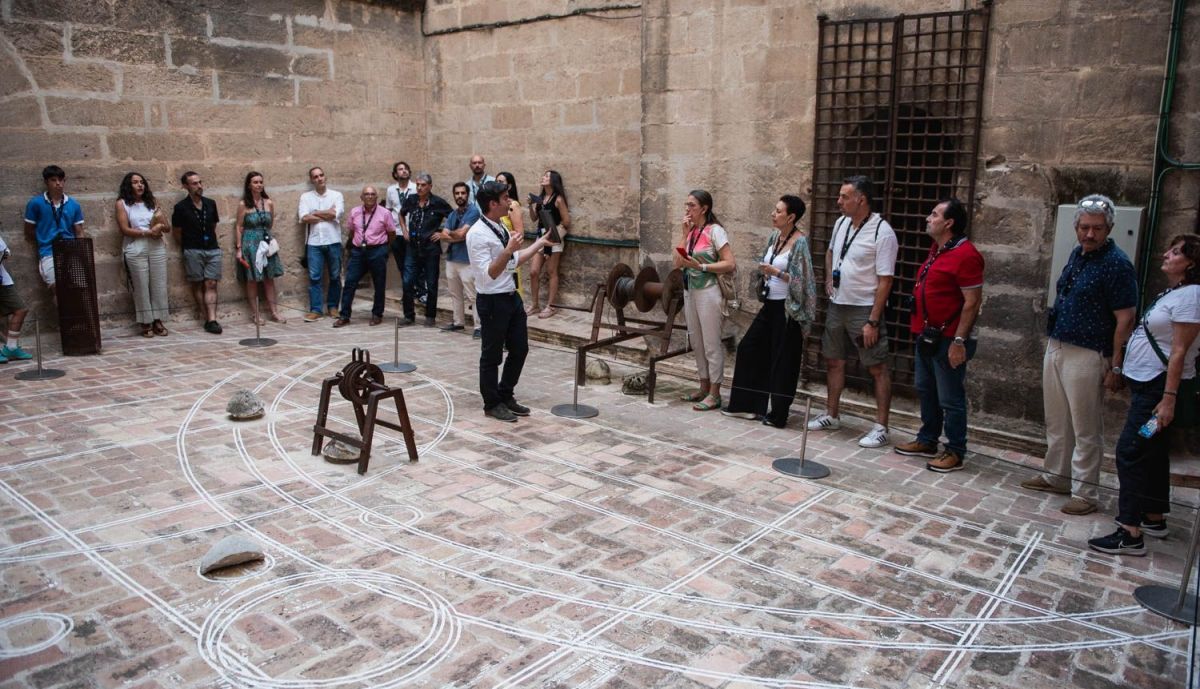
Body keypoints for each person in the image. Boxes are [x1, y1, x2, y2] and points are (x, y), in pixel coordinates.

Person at [1021, 194, 1138, 516]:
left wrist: (1116, 364)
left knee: (1085, 426)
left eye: (1097, 228)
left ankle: (1085, 492)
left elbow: (1125, 317)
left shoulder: (1117, 264)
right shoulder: (1078, 254)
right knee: (1057, 420)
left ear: (1109, 228)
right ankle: (1057, 476)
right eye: (1085, 227)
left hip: (1088, 351)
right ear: (1077, 228)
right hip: (1059, 343)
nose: (1090, 234)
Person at [1089, 234, 1200, 556]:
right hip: (1148, 385)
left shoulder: (1192, 296)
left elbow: (1179, 351)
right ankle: (1153, 515)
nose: (1166, 255)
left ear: (1190, 263)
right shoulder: (1177, 292)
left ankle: (1129, 531)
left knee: (1130, 451)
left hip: (1157, 389)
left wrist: (1168, 398)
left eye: (1176, 252)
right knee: (1152, 451)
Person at [807, 175, 899, 448]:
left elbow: (886, 280)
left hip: (863, 308)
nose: (839, 201)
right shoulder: (841, 223)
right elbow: (831, 251)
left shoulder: (882, 232)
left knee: (876, 366)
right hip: (838, 304)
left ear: (861, 199)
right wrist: (828, 279)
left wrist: (873, 320)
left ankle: (881, 427)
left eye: (844, 197)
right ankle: (831, 414)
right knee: (833, 359)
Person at [893, 198, 985, 473]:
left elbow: (972, 302)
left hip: (948, 337)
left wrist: (959, 341)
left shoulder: (967, 254)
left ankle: (955, 450)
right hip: (927, 333)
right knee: (926, 388)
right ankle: (928, 438)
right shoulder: (938, 250)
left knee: (950, 396)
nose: (927, 218)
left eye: (934, 215)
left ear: (949, 223)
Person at [466, 180, 556, 422]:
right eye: (506, 198)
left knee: (520, 348)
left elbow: (513, 260)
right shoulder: (476, 234)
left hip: (510, 295)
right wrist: (507, 250)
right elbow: (487, 274)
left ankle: (506, 394)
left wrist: (539, 243)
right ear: (493, 204)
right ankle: (491, 403)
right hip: (492, 301)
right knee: (492, 355)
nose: (510, 202)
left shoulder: (499, 227)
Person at [722, 195, 816, 427]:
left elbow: (804, 281)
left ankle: (778, 414)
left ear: (791, 217)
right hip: (770, 305)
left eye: (778, 211)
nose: (773, 214)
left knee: (783, 361)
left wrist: (777, 273)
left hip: (787, 310)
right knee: (749, 348)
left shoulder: (800, 242)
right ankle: (746, 405)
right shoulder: (775, 237)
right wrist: (764, 274)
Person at [673, 189, 736, 412]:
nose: (687, 209)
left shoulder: (714, 231)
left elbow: (730, 263)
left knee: (711, 342)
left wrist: (702, 266)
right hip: (691, 290)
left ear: (704, 208)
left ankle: (715, 393)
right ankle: (703, 385)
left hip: (709, 291)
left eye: (691, 205)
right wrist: (683, 233)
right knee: (696, 341)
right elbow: (678, 263)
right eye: (686, 204)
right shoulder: (692, 231)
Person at [115, 172, 171, 337]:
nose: (140, 185)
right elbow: (124, 229)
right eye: (135, 182)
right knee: (140, 284)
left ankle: (158, 319)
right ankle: (145, 321)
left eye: (142, 182)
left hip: (156, 244)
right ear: (128, 185)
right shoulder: (122, 204)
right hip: (136, 244)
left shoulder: (151, 202)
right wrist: (147, 232)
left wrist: (159, 227)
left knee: (159, 283)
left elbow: (165, 225)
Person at [334, 186, 396, 328]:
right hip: (358, 252)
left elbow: (391, 233)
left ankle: (377, 314)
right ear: (361, 197)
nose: (369, 196)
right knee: (350, 283)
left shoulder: (385, 213)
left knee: (379, 284)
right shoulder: (355, 212)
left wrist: (385, 249)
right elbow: (351, 231)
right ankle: (344, 315)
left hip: (377, 251)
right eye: (366, 194)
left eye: (372, 194)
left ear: (376, 197)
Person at [172, 171, 223, 334]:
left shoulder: (210, 203)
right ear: (186, 186)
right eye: (194, 183)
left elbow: (213, 225)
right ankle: (206, 317)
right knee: (197, 283)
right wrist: (187, 246)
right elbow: (177, 232)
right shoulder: (180, 207)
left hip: (212, 248)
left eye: (200, 182)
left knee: (211, 283)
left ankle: (212, 319)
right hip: (192, 249)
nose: (199, 186)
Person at [399, 173, 451, 326]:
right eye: (418, 185)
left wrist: (443, 233)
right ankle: (409, 315)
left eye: (423, 185)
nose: (420, 188)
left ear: (430, 186)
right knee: (408, 281)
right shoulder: (412, 200)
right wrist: (404, 230)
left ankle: (430, 316)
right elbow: (401, 214)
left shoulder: (438, 203)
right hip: (412, 247)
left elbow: (454, 217)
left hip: (430, 249)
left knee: (431, 283)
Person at [235, 171, 286, 325]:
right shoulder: (243, 204)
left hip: (266, 241)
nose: (258, 185)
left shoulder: (268, 202)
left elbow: (270, 224)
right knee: (252, 280)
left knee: (269, 279)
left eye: (260, 182)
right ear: (249, 185)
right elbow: (239, 226)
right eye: (255, 182)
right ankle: (255, 314)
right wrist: (239, 248)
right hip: (250, 243)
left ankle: (274, 312)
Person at [24, 165, 86, 288]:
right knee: (57, 288)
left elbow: (79, 231)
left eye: (61, 180)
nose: (58, 183)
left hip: (71, 251)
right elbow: (29, 230)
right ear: (46, 182)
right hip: (48, 252)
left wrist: (80, 253)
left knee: (79, 287)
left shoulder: (74, 204)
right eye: (53, 180)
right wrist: (44, 240)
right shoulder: (35, 203)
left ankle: (73, 308)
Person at [298, 166, 345, 322]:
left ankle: (333, 307)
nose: (319, 178)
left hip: (333, 241)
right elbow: (304, 218)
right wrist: (327, 213)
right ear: (312, 180)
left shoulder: (336, 195)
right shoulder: (305, 197)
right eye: (315, 176)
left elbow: (336, 214)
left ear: (325, 177)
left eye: (321, 175)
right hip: (314, 242)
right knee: (314, 277)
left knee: (335, 276)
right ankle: (316, 309)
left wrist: (316, 212)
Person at [437, 181, 480, 335]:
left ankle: (478, 327)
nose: (460, 196)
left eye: (463, 193)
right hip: (452, 258)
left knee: (472, 295)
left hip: (467, 260)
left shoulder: (473, 211)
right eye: (457, 193)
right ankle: (458, 322)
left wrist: (453, 234)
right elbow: (444, 235)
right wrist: (457, 235)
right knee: (455, 293)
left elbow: (462, 234)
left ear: (467, 195)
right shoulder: (453, 214)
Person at [527, 170, 571, 318]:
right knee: (533, 271)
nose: (543, 177)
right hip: (540, 237)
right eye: (543, 175)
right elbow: (534, 219)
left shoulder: (558, 199)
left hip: (553, 238)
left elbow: (566, 222)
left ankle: (551, 306)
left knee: (551, 271)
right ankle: (534, 305)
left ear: (553, 180)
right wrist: (530, 206)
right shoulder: (540, 199)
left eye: (547, 176)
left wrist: (554, 233)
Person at [385, 161, 418, 303]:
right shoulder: (391, 190)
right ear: (395, 174)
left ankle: (410, 293)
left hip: (412, 231)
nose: (403, 171)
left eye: (406, 169)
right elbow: (388, 210)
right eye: (400, 169)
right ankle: (409, 291)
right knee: (401, 264)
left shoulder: (416, 188)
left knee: (410, 264)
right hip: (396, 232)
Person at [0, 232, 33, 363]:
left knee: (20, 309)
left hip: (2, 280)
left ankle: (11, 348)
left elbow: (5, 251)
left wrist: (5, 253)